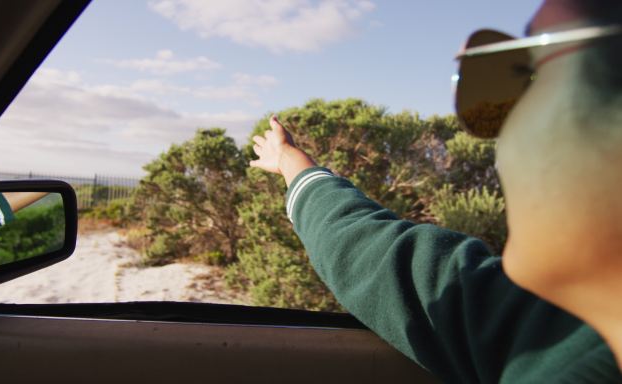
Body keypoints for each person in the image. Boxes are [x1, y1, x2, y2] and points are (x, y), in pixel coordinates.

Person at [250, 0, 622, 382]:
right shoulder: (557, 328)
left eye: (534, 74)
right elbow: (384, 262)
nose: (498, 129)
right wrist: (292, 163)